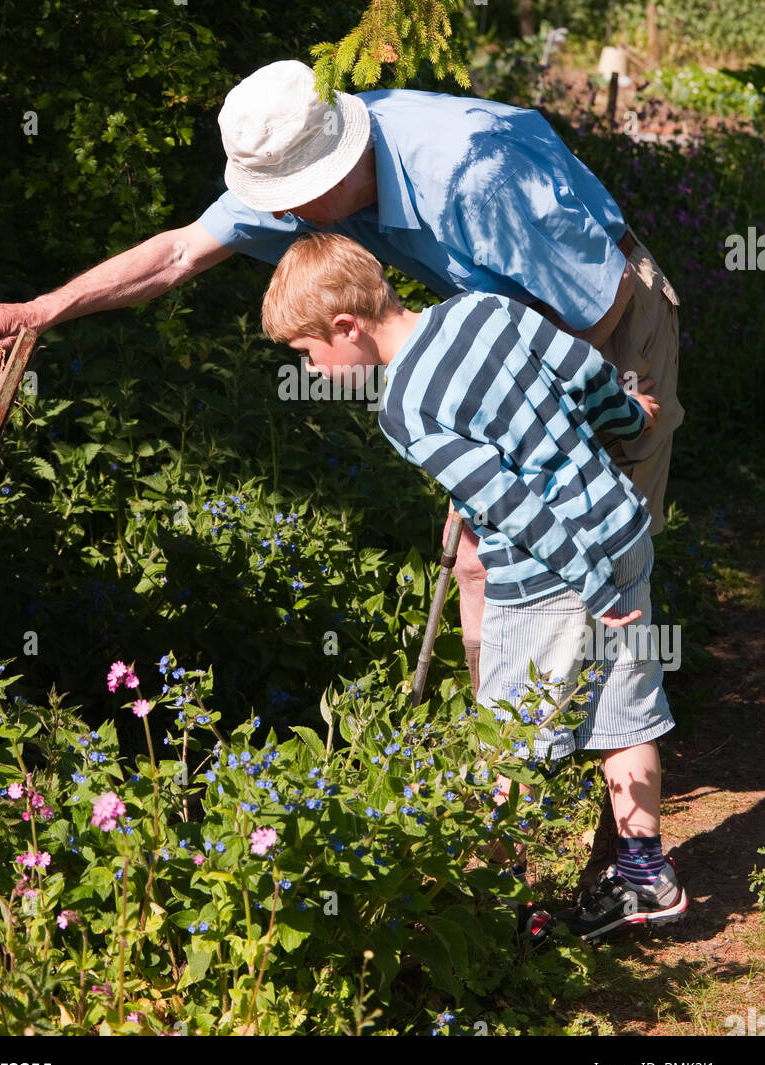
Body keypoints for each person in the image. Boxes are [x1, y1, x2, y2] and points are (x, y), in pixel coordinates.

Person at [0, 58, 683, 886]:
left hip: (600, 312)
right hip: (496, 338)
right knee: (493, 563)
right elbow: (175, 256)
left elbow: (590, 318)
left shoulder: (464, 172)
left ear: (341, 166)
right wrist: (40, 311)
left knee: (592, 578)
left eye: (293, 201)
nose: (281, 219)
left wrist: (511, 435)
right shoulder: (298, 157)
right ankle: (544, 817)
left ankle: (584, 837)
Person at [259, 230, 688, 940]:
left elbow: (512, 508)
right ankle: (646, 876)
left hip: (549, 577)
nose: (314, 370)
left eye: (308, 356)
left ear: (346, 328)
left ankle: (483, 906)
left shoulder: (405, 409)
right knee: (622, 709)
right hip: (621, 527)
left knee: (508, 739)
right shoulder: (481, 309)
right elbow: (583, 369)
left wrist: (588, 588)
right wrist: (622, 415)